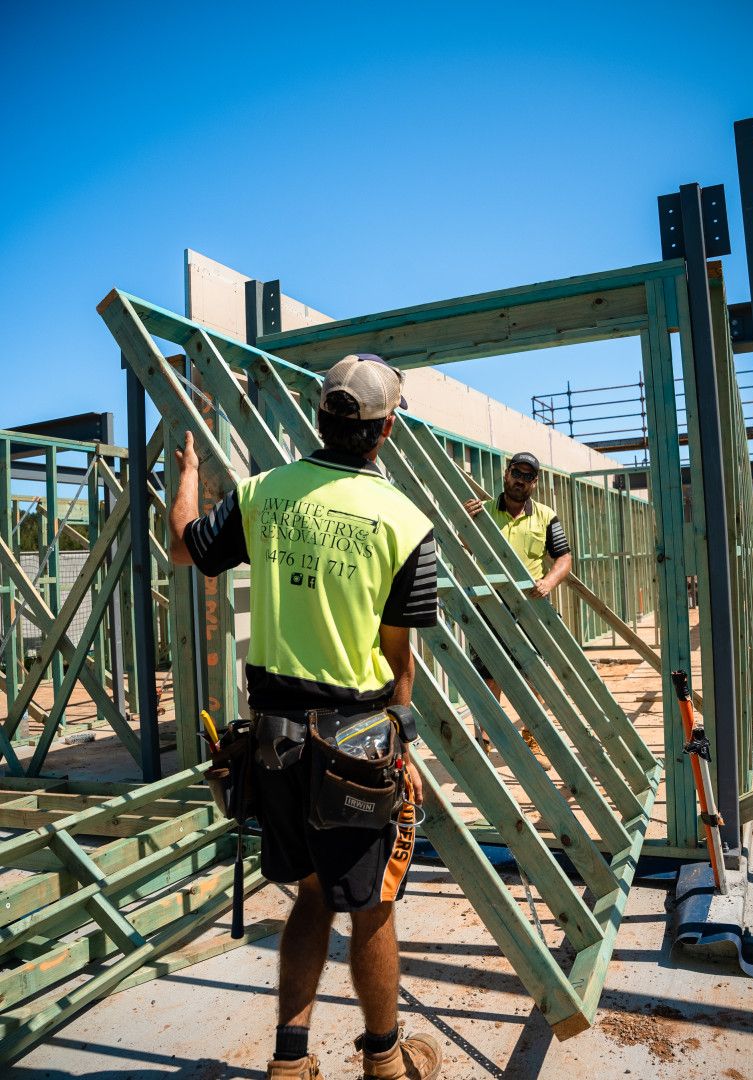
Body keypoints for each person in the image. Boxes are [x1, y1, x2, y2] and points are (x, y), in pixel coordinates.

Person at [169, 353, 441, 1080]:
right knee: (373, 904)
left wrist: (187, 470)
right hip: (356, 740)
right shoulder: (407, 521)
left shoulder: (263, 494)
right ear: (385, 430)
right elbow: (398, 659)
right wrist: (401, 744)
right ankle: (385, 1061)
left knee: (312, 895)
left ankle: (291, 1063)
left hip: (277, 743)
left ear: (321, 416)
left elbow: (187, 545)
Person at [462, 451, 573, 760]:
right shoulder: (482, 511)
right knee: (488, 673)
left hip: (531, 607)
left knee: (535, 672)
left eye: (528, 476)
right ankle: (485, 737)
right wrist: (465, 522)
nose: (520, 481)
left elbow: (564, 557)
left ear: (534, 483)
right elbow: (466, 545)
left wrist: (549, 582)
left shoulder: (546, 516)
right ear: (506, 474)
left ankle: (532, 736)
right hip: (489, 604)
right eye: (516, 473)